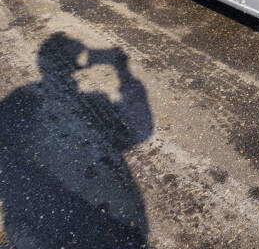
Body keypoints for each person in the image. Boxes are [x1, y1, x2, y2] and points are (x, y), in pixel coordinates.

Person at [0, 32, 152, 248]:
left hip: (27, 225)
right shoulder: (89, 104)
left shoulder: (16, 99)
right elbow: (139, 131)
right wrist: (123, 71)